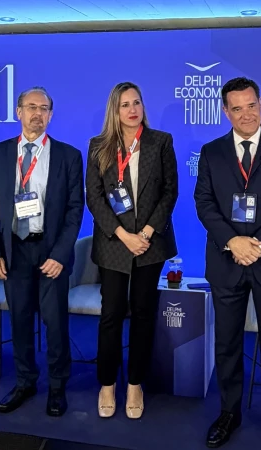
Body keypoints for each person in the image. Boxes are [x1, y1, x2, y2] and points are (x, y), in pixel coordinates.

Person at [194, 77, 261, 450]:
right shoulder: (211, 152)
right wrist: (232, 241)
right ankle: (229, 412)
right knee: (226, 343)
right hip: (226, 261)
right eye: (237, 108)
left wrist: (257, 244)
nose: (246, 114)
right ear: (226, 112)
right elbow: (204, 202)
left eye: (251, 105)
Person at [0, 86, 84, 417]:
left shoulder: (68, 155)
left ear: (51, 115)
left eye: (43, 108)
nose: (37, 113)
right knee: (20, 320)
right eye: (31, 107)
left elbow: (74, 210)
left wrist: (60, 254)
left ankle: (57, 386)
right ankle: (25, 382)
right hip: (13, 250)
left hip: (51, 251)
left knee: (55, 323)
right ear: (18, 112)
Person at [85, 82, 178, 419]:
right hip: (114, 243)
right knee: (110, 314)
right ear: (115, 110)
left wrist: (147, 232)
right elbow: (94, 197)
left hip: (150, 244)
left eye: (136, 102)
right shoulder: (99, 146)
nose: (132, 109)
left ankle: (135, 384)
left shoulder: (160, 141)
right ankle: (107, 384)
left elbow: (169, 192)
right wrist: (124, 235)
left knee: (143, 313)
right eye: (125, 104)